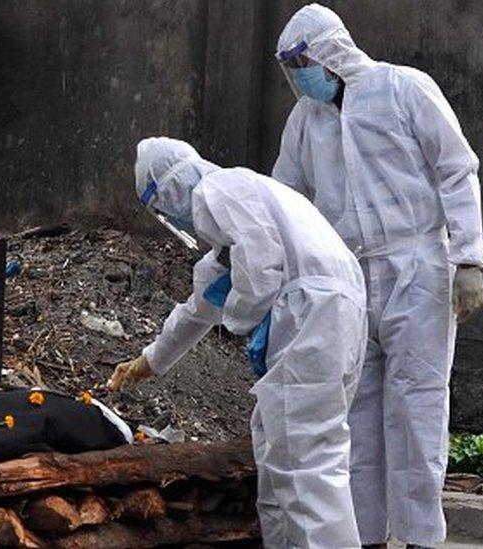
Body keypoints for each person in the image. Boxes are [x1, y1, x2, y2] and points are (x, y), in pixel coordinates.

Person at [271, 5, 483, 548]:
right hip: (346, 277)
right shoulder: (306, 120)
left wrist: (468, 258)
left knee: (417, 404)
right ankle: (364, 537)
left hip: (417, 269)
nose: (299, 75)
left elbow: (455, 168)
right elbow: (286, 199)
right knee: (357, 411)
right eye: (290, 66)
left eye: (302, 62)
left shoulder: (403, 90)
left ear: (329, 52)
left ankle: (419, 538)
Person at [109, 136, 368, 548]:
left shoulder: (219, 190)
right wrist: (149, 361)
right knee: (278, 454)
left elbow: (261, 268)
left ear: (169, 189)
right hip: (334, 314)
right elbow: (198, 309)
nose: (170, 218)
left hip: (311, 319)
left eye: (160, 207)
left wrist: (243, 318)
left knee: (307, 464)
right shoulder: (244, 212)